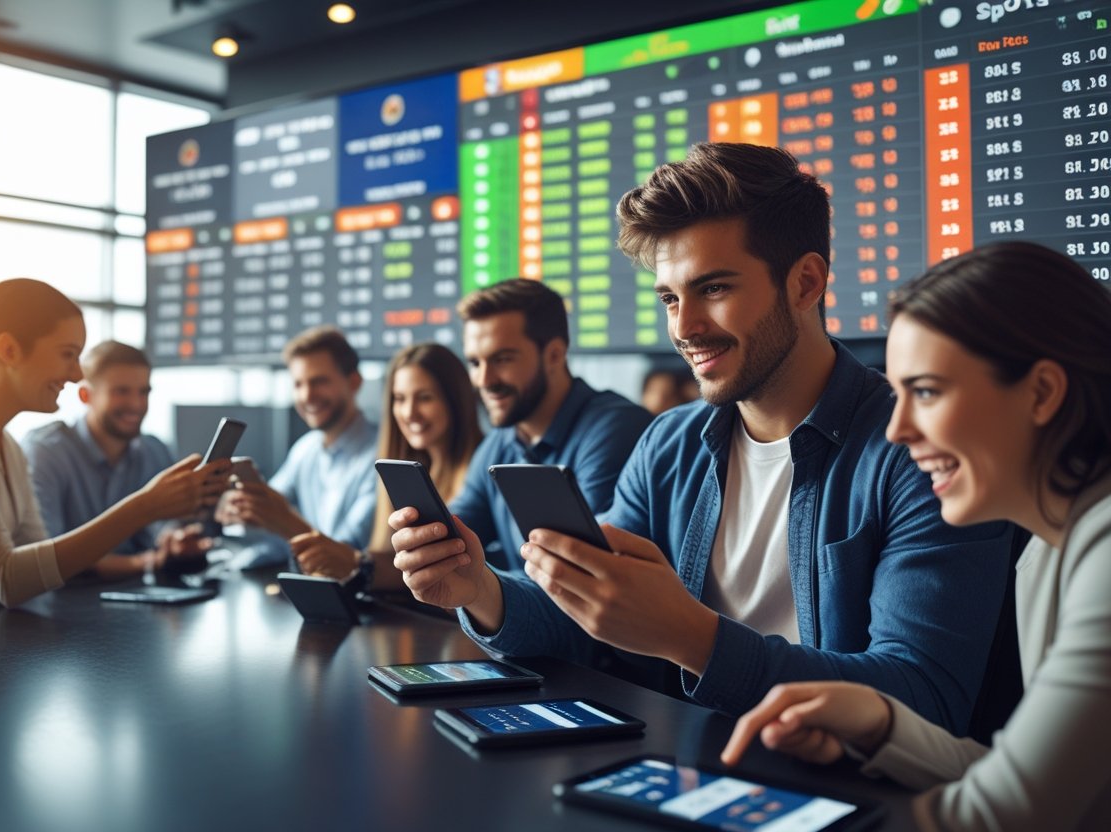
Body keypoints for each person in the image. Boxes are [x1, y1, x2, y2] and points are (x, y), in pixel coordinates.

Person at [391, 143, 1015, 735]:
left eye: (713, 289)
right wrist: (481, 590)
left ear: (805, 283)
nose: (684, 328)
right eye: (669, 297)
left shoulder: (921, 451)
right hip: (688, 763)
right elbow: (586, 617)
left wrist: (693, 638)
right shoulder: (670, 443)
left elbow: (926, 700)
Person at [721, 242, 1111, 830]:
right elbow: (1019, 781)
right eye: (898, 394)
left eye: (926, 392)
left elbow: (1006, 812)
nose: (899, 430)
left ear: (1041, 393)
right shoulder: (1048, 553)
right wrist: (882, 723)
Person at [0, 279, 229, 612]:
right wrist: (144, 508)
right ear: (9, 350)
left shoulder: (5, 445)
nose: (75, 374)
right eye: (68, 355)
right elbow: (4, 578)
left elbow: (37, 565)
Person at [391, 277, 651, 592]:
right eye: (475, 362)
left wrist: (481, 586)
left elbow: (578, 578)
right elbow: (455, 538)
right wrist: (423, 545)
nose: (484, 380)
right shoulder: (497, 445)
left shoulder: (614, 430)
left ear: (554, 354)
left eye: (502, 359)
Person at [289, 342, 483, 592]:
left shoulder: (478, 472)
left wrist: (355, 564)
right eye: (400, 399)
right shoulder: (407, 474)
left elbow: (445, 570)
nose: (409, 412)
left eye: (425, 398)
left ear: (455, 401)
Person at [22, 340, 209, 581]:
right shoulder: (46, 453)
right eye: (121, 391)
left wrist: (174, 541)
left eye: (143, 392)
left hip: (141, 602)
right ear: (85, 395)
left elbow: (160, 529)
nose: (136, 404)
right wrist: (146, 562)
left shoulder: (154, 450)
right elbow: (45, 558)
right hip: (67, 603)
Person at [219, 326, 378, 567]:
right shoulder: (306, 449)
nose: (307, 396)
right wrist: (242, 511)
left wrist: (280, 517)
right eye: (298, 384)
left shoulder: (382, 455)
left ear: (354, 382)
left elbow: (347, 553)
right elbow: (270, 526)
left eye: (319, 381)